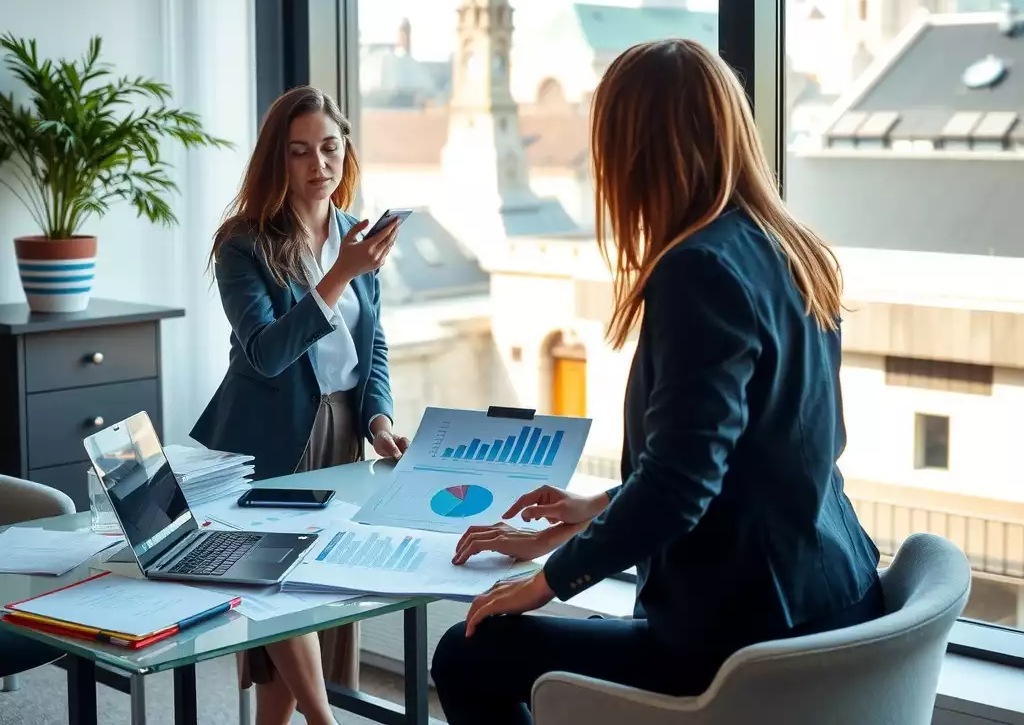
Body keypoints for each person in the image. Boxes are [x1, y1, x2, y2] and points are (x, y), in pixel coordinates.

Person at [430, 39, 884, 724]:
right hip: (838, 598)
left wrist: (547, 582)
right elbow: (751, 455)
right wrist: (597, 507)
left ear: (633, 154)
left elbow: (679, 489)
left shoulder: (697, 271)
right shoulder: (790, 245)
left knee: (466, 653)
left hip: (743, 640)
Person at [191, 85, 408, 725]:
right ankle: (326, 722)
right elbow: (264, 353)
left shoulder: (356, 235)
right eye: (300, 152)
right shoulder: (245, 243)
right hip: (270, 438)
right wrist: (338, 273)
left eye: (330, 148)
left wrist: (378, 419)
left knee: (317, 593)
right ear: (276, 161)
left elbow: (373, 343)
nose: (320, 165)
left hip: (342, 429)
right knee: (281, 591)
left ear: (347, 152)